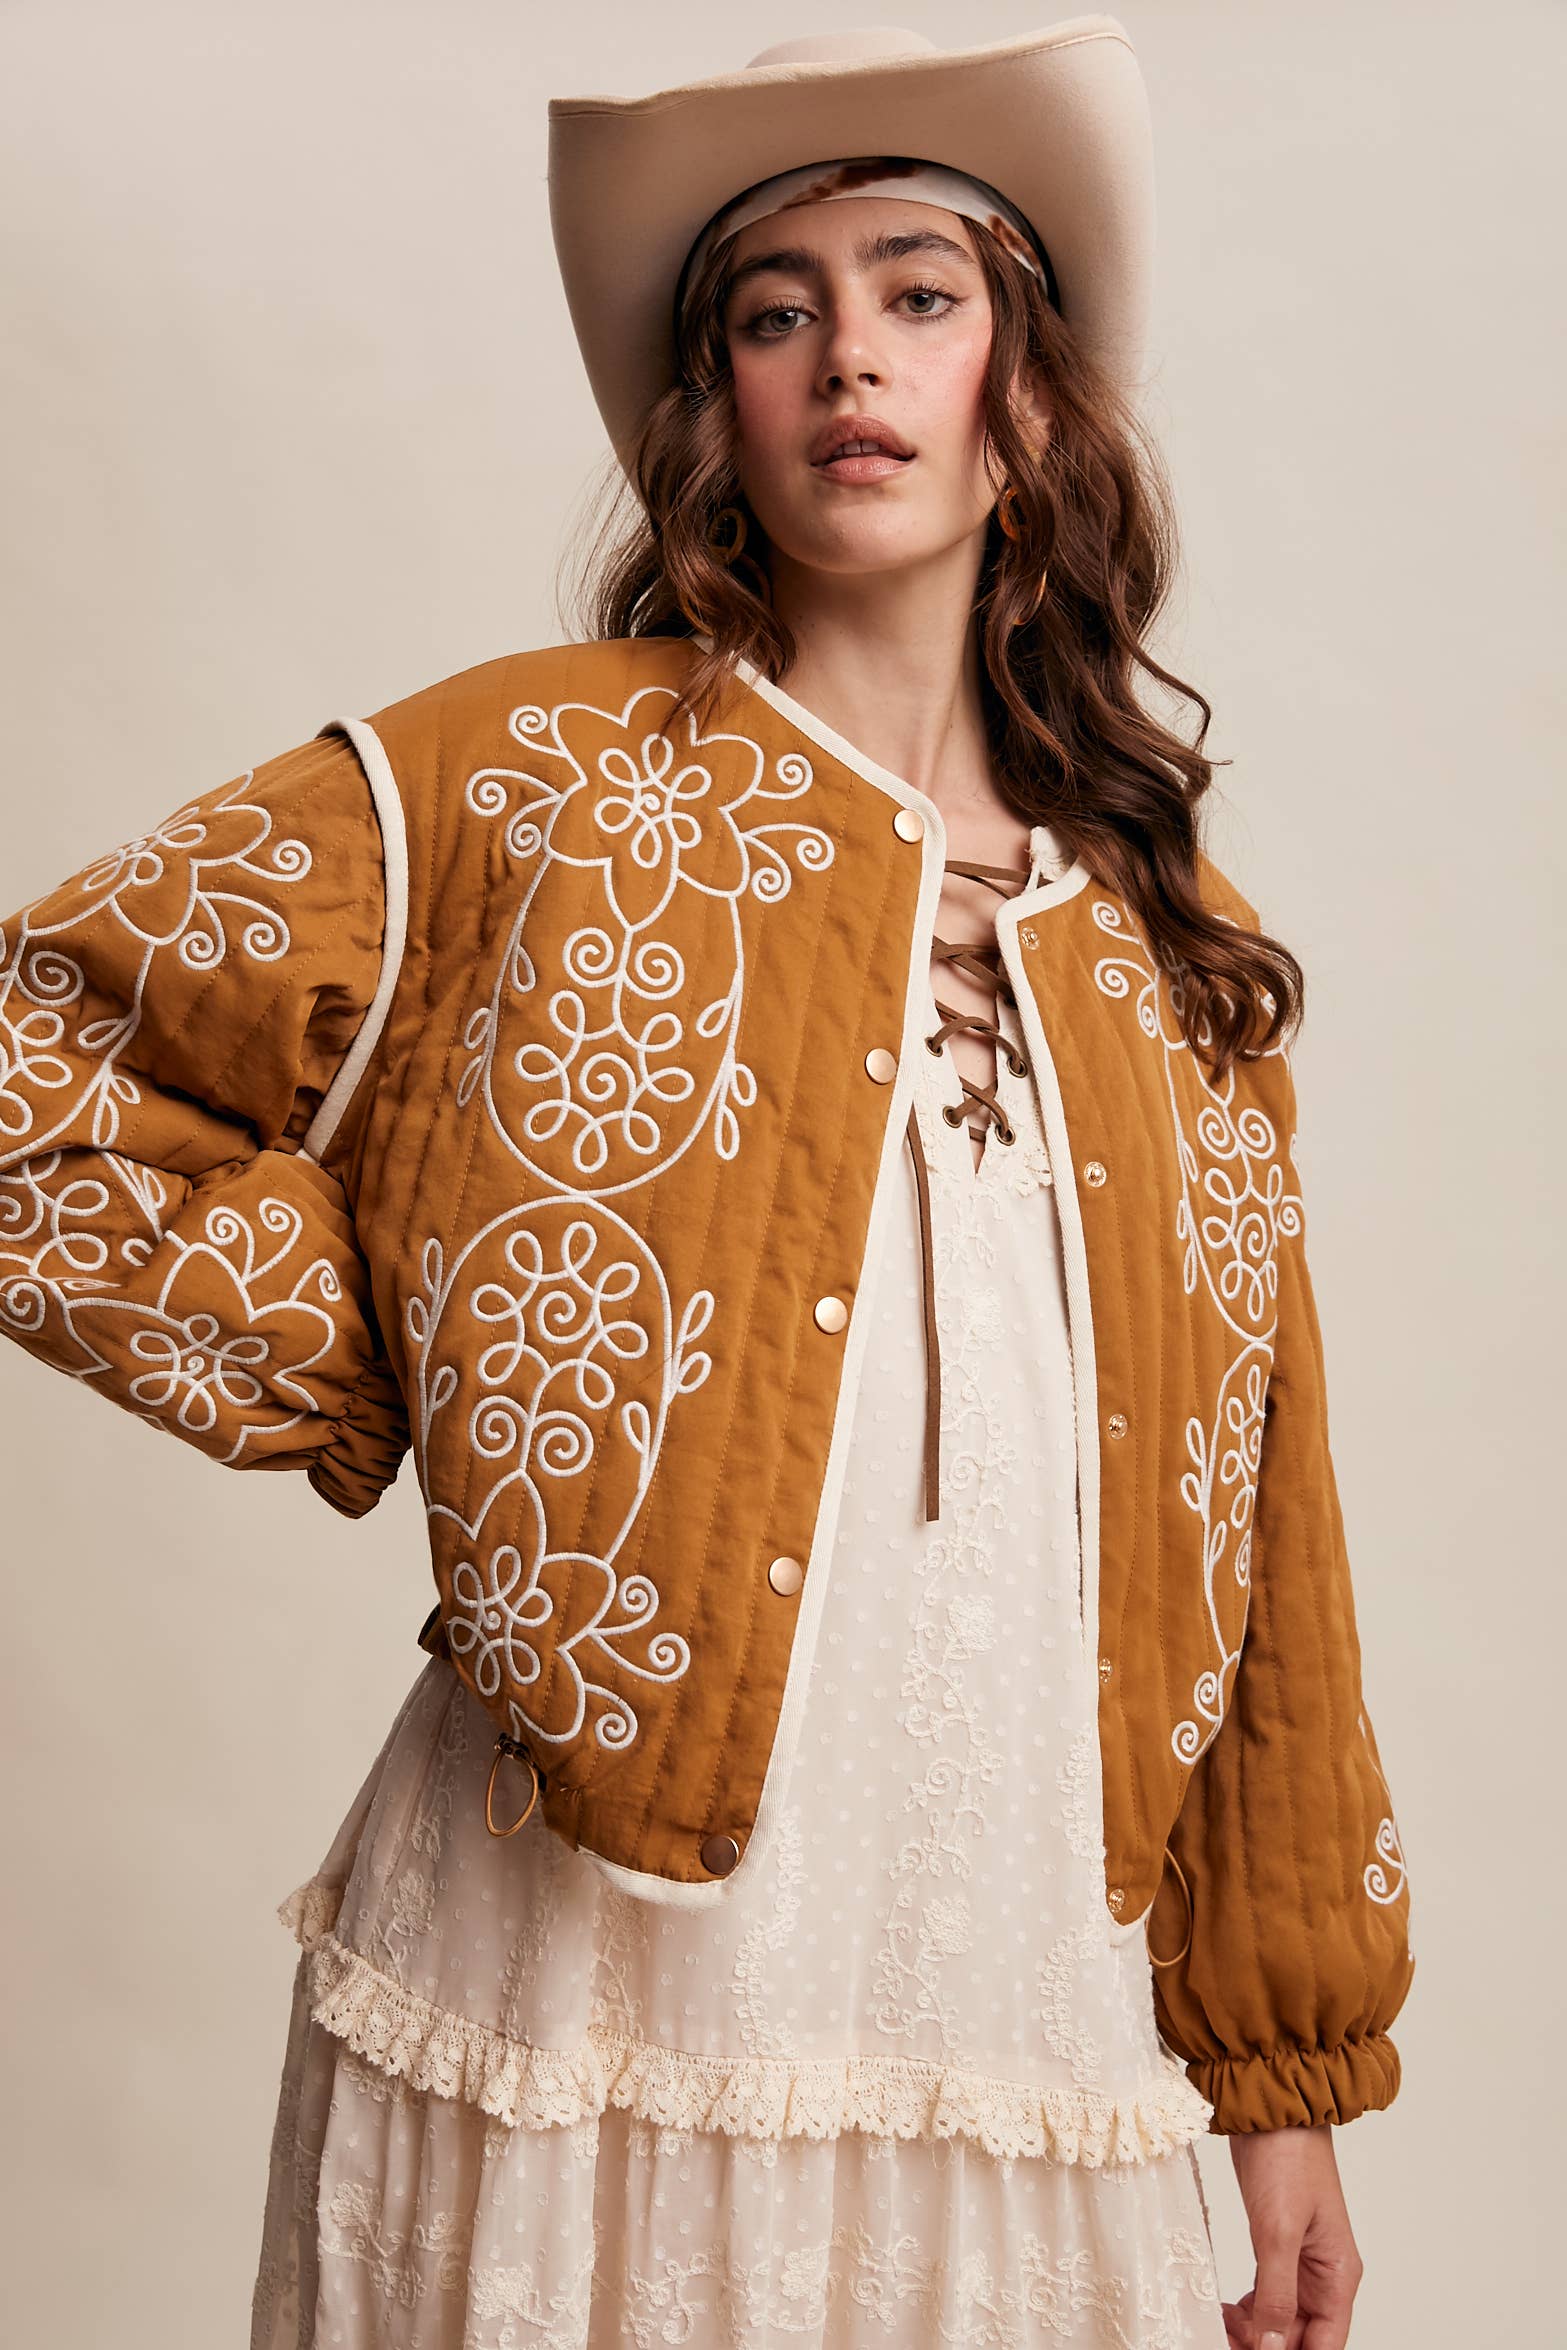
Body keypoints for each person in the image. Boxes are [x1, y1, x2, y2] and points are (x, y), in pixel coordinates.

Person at [0, 22, 1414, 2350]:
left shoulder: (1173, 954)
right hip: (577, 1982)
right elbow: (33, 1052)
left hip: (1010, 2000)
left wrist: (1287, 2082)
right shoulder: (525, 779)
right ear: (716, 409)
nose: (848, 353)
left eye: (919, 294)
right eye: (776, 309)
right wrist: (407, 1357)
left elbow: (1264, 1544)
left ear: (1028, 393)